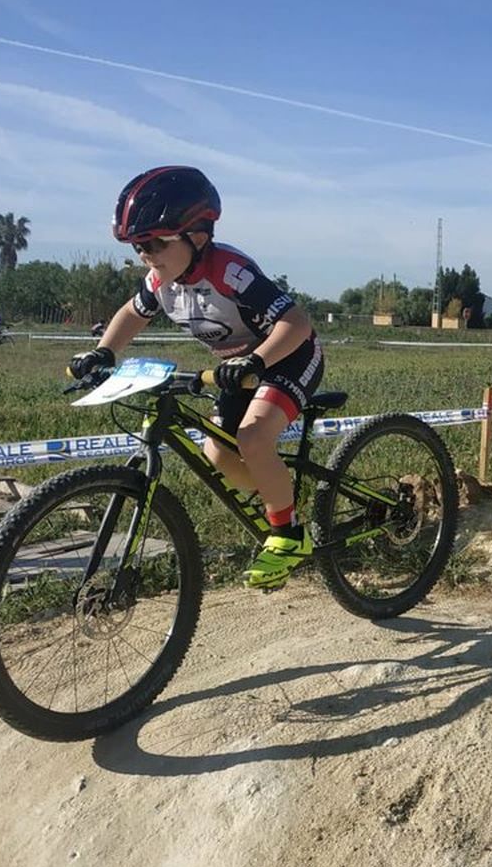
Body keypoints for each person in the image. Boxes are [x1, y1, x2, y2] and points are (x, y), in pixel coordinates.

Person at [68, 166, 323, 590]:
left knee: (254, 438)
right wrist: (104, 352)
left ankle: (289, 534)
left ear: (197, 236)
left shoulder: (229, 270)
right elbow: (133, 313)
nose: (145, 255)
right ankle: (279, 496)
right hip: (236, 369)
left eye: (152, 243)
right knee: (218, 454)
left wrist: (257, 362)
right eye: (136, 247)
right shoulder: (161, 280)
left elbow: (296, 322)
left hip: (287, 355)